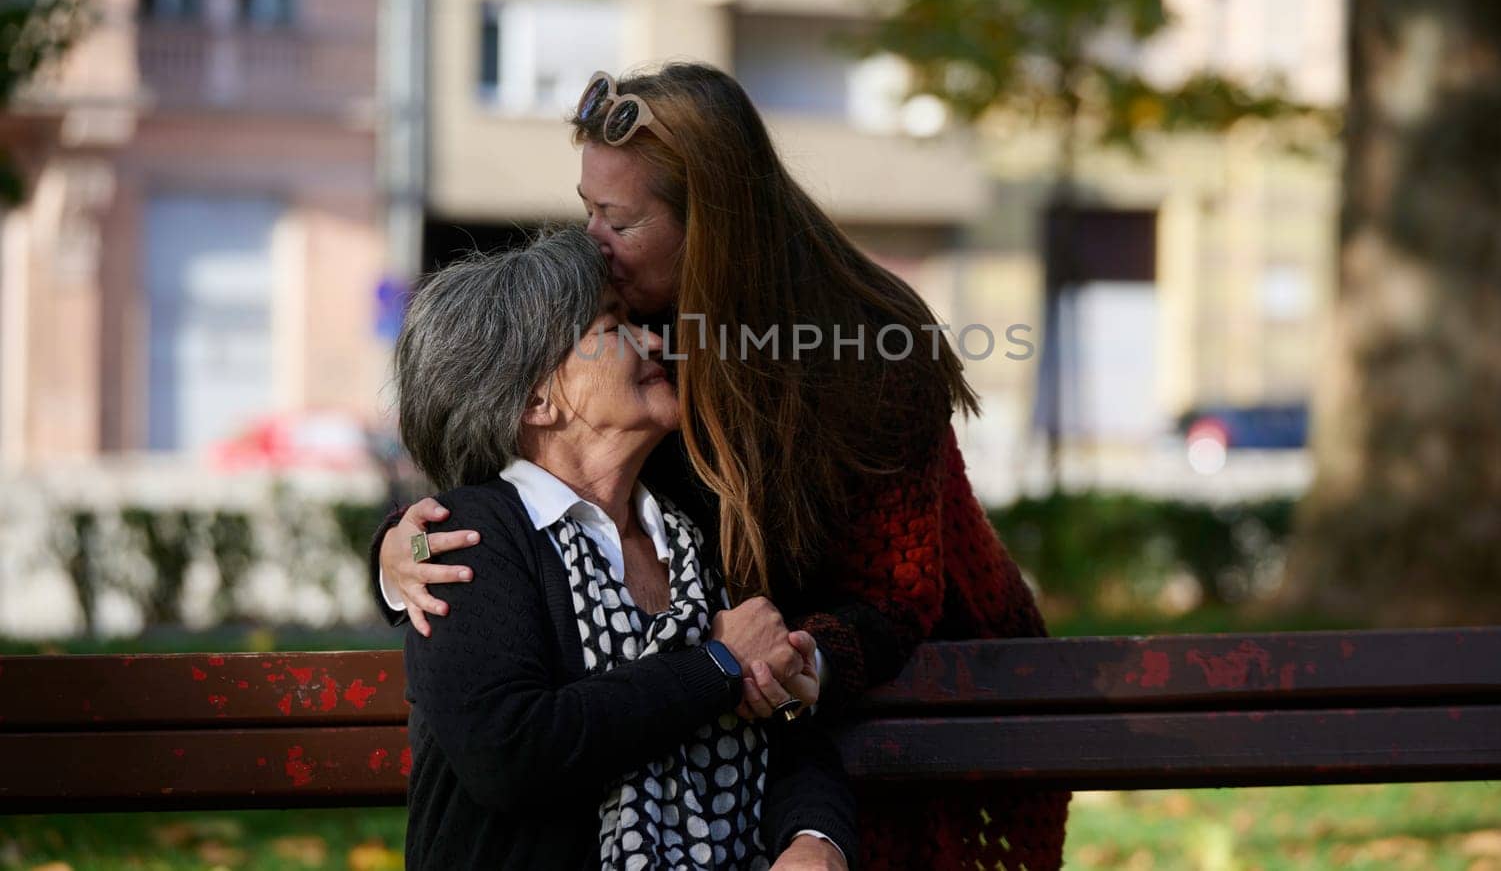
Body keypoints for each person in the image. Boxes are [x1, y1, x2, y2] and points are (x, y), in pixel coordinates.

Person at [375, 62, 1069, 870]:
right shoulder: (635, 324)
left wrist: (799, 660)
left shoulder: (866, 349)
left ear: (709, 225)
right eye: (587, 209)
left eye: (620, 220)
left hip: (876, 689)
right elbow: (522, 475)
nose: (593, 242)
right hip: (718, 688)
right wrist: (402, 550)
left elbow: (897, 593)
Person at [392, 228, 855, 870]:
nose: (656, 340)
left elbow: (788, 730)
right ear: (536, 399)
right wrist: (716, 666)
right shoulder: (469, 537)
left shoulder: (698, 531)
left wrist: (814, 840)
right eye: (614, 327)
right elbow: (511, 754)